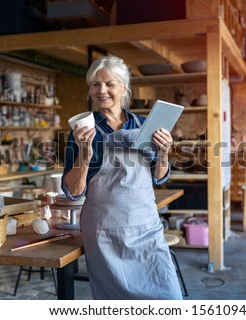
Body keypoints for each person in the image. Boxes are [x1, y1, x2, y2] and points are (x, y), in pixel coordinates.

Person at [61, 55, 183, 300]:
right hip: (105, 233)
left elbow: (158, 177)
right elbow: (73, 191)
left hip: (146, 227)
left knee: (168, 298)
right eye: (95, 84)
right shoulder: (84, 132)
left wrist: (163, 152)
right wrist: (84, 153)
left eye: (109, 84)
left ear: (124, 88)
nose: (101, 90)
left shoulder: (143, 124)